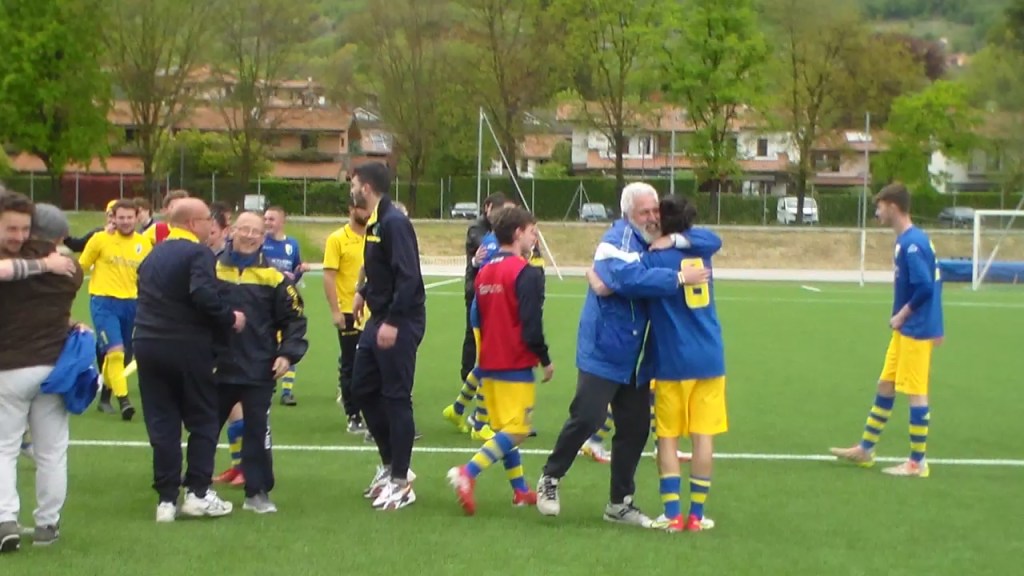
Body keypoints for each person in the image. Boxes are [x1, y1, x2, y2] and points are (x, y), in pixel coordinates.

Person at [534, 182, 707, 526]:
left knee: (635, 428)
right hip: (603, 347)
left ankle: (619, 503)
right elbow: (629, 279)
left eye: (655, 210)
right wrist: (675, 277)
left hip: (634, 355)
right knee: (587, 417)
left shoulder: (651, 242)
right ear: (628, 213)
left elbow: (706, 240)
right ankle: (550, 478)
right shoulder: (616, 240)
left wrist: (669, 248)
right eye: (645, 211)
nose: (653, 217)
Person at [588, 195, 725, 532]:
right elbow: (712, 238)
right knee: (703, 437)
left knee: (668, 438)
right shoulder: (700, 250)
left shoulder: (653, 259)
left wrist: (596, 280)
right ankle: (696, 515)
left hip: (671, 361)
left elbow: (621, 283)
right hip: (710, 357)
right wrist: (680, 239)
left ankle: (673, 513)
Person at [134, 198, 245, 522]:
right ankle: (197, 492)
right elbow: (202, 294)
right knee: (203, 418)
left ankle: (166, 500)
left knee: (162, 422)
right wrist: (230, 317)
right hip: (185, 345)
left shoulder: (154, 253)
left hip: (147, 343)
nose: (212, 225)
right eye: (209, 219)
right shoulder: (197, 252)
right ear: (194, 222)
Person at [830, 183, 944, 478]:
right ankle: (866, 449)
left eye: (879, 206)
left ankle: (917, 462)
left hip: (915, 329)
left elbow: (925, 287)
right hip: (908, 329)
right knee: (886, 385)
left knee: (916, 393)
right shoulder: (907, 241)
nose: (876, 211)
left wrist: (902, 315)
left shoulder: (912, 244)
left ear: (893, 206)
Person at [447, 206, 552, 514]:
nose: (535, 237)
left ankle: (520, 491)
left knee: (506, 428)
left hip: (489, 362)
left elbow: (477, 317)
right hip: (514, 362)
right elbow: (531, 325)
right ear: (518, 233)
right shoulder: (525, 272)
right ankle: (468, 472)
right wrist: (545, 359)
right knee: (517, 429)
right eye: (533, 231)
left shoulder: (485, 273)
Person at [0, 197, 83, 551]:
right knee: (52, 452)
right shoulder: (70, 271)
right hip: (54, 366)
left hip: (10, 365)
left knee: (4, 448)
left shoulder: (12, 264)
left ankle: (6, 519)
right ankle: (48, 523)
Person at [213, 212, 308, 514]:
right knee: (204, 429)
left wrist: (286, 354)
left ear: (263, 237)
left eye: (256, 231)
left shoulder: (275, 278)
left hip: (258, 368)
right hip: (217, 366)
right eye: (245, 229)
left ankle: (257, 492)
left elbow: (295, 320)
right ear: (232, 231)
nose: (250, 235)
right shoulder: (211, 269)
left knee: (257, 431)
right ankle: (197, 488)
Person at [350, 162, 426, 511]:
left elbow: (408, 275)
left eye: (353, 183)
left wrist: (394, 321)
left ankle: (401, 480)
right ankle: (389, 464)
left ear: (365, 186)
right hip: (378, 317)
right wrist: (362, 290)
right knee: (362, 388)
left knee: (396, 396)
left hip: (400, 320)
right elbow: (380, 268)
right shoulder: (376, 221)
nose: (351, 189)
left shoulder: (395, 222)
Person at [79, 199, 152, 420]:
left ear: (137, 217)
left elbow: (147, 275)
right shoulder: (100, 239)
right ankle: (124, 401)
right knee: (116, 352)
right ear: (113, 217)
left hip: (132, 303)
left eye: (130, 217)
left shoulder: (144, 243)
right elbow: (81, 266)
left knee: (124, 356)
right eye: (121, 217)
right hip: (104, 302)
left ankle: (104, 398)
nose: (126, 221)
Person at [324, 204, 371, 433]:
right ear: (351, 209)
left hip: (372, 310)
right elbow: (329, 277)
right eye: (362, 209)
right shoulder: (337, 239)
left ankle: (371, 411)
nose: (367, 213)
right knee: (350, 363)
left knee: (371, 364)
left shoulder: (375, 236)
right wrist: (335, 310)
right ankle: (353, 415)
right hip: (348, 310)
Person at [459, 193, 507, 385]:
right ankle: (467, 375)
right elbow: (487, 247)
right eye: (498, 211)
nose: (500, 215)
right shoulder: (477, 229)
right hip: (475, 287)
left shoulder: (500, 230)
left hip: (494, 287)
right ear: (487, 207)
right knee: (473, 332)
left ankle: (490, 372)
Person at [262, 205, 308, 406]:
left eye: (272, 219)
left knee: (288, 342)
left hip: (285, 302)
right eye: (266, 219)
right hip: (264, 301)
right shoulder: (261, 243)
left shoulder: (292, 245)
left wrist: (299, 272)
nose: (267, 223)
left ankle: (287, 391)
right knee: (267, 343)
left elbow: (294, 272)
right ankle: (267, 386)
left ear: (282, 221)